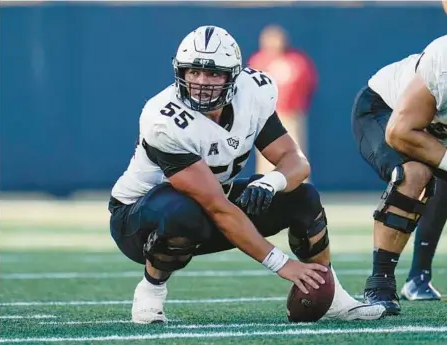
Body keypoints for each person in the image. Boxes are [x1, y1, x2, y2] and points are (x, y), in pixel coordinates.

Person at [109, 26, 385, 324]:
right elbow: (215, 205)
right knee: (181, 210)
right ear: (181, 72)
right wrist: (282, 264)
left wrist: (272, 181)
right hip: (138, 222)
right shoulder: (164, 118)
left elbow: (295, 161)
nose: (201, 82)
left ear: (233, 76)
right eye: (193, 72)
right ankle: (151, 290)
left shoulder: (254, 93)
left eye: (213, 74)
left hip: (213, 204)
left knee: (303, 197)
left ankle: (332, 295)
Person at [352, 35, 447, 315]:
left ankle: (418, 278)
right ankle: (379, 283)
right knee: (413, 174)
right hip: (387, 110)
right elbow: (399, 132)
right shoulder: (442, 61)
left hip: (436, 126)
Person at [248, 25, 317, 174]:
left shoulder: (297, 60)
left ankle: (299, 189)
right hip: (265, 117)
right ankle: (265, 189)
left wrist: (299, 106)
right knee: (266, 155)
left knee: (295, 152)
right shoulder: (258, 61)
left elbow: (308, 84)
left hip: (290, 115)